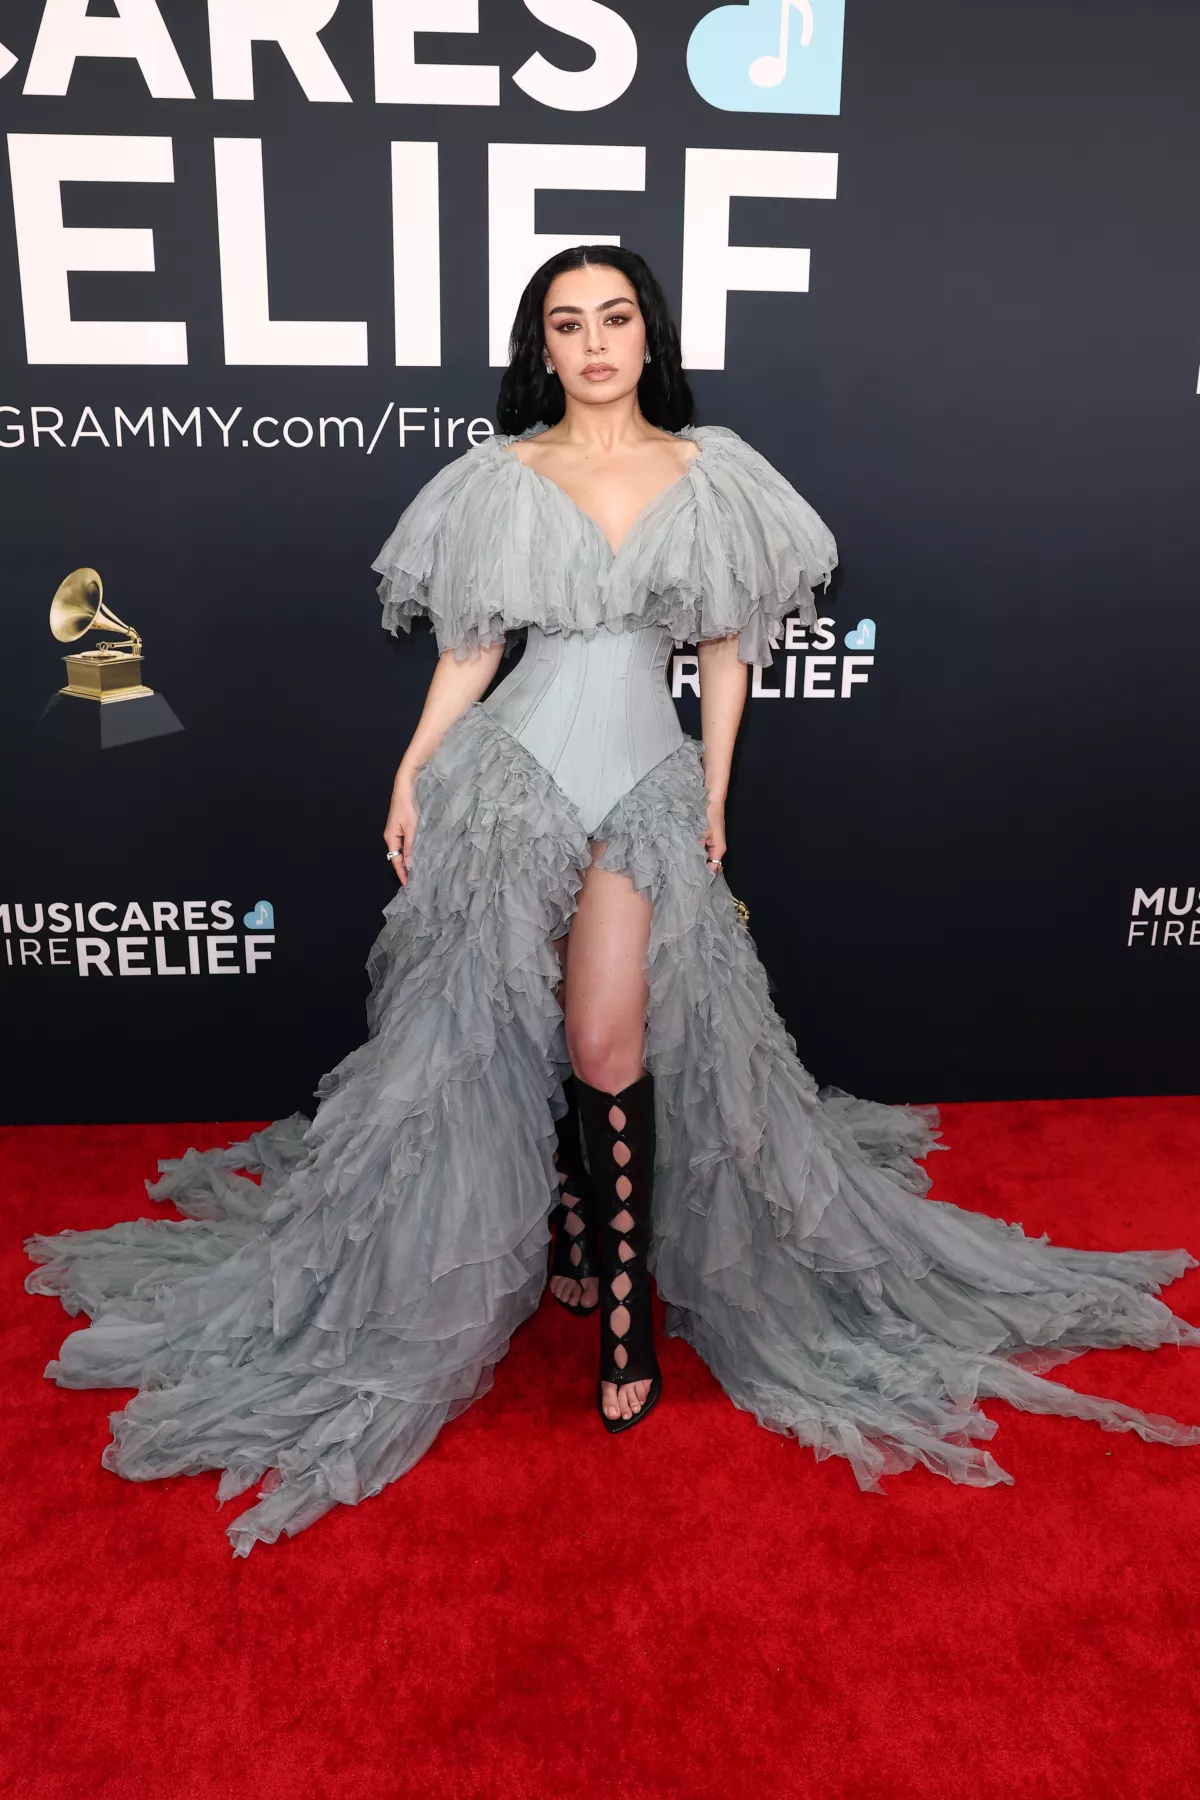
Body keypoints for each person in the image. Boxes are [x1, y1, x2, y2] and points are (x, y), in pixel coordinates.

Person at [25, 245, 1200, 1557]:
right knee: (490, 1032)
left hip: (645, 780)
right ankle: (577, 1224)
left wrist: (713, 794)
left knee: (607, 1042)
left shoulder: (717, 473)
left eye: (615, 317)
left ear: (650, 334)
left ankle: (625, 1295)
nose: (593, 342)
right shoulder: (499, 478)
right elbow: (473, 653)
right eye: (566, 323)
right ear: (544, 346)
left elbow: (726, 654)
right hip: (510, 775)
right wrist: (414, 772)